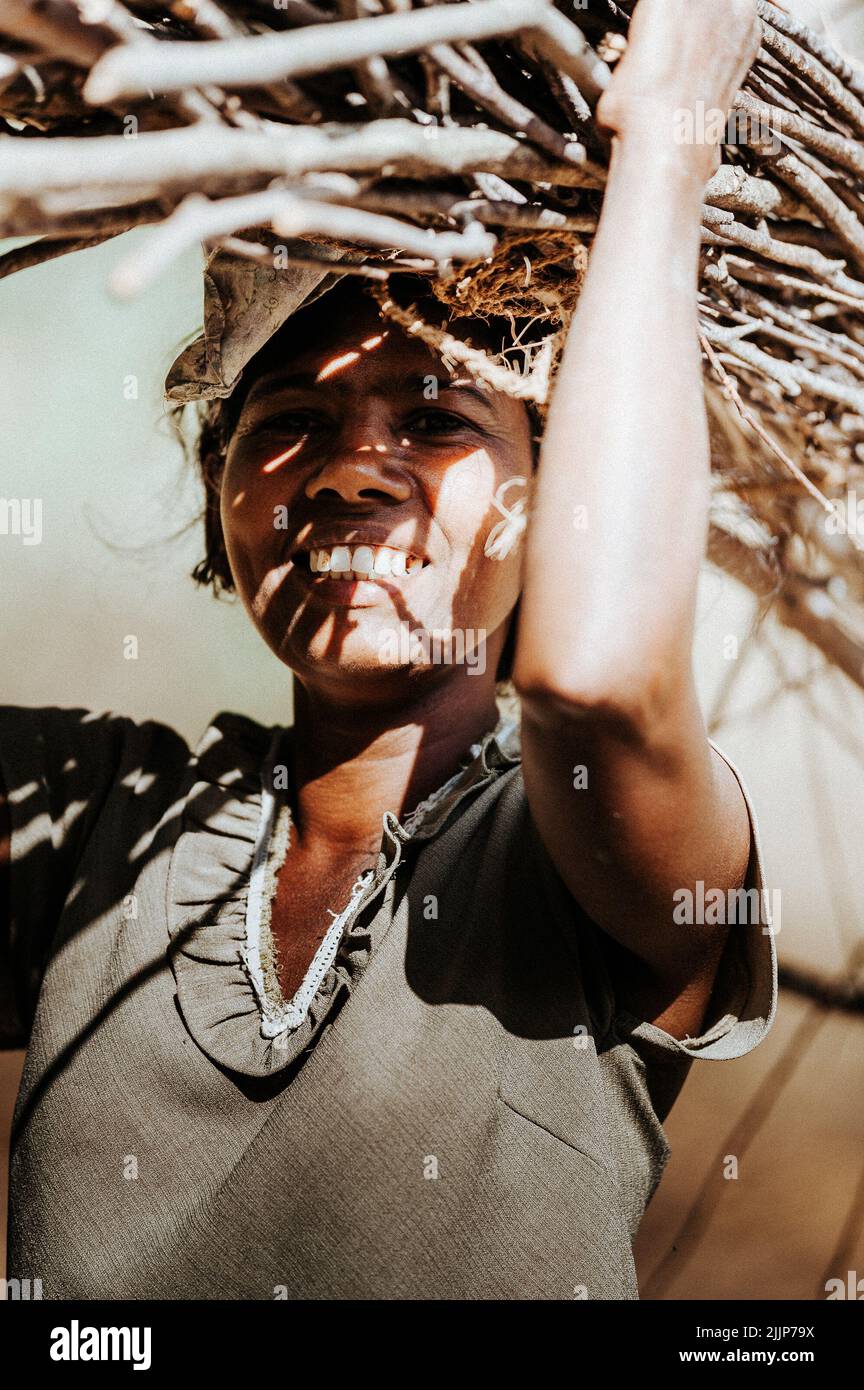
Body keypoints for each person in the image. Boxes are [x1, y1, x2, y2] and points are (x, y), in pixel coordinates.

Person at [0, 0, 776, 1299]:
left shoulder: (585, 852)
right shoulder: (105, 829)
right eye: (294, 416)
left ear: (553, 489)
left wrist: (664, 145)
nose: (355, 468)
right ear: (218, 488)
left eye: (436, 415)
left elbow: (596, 684)